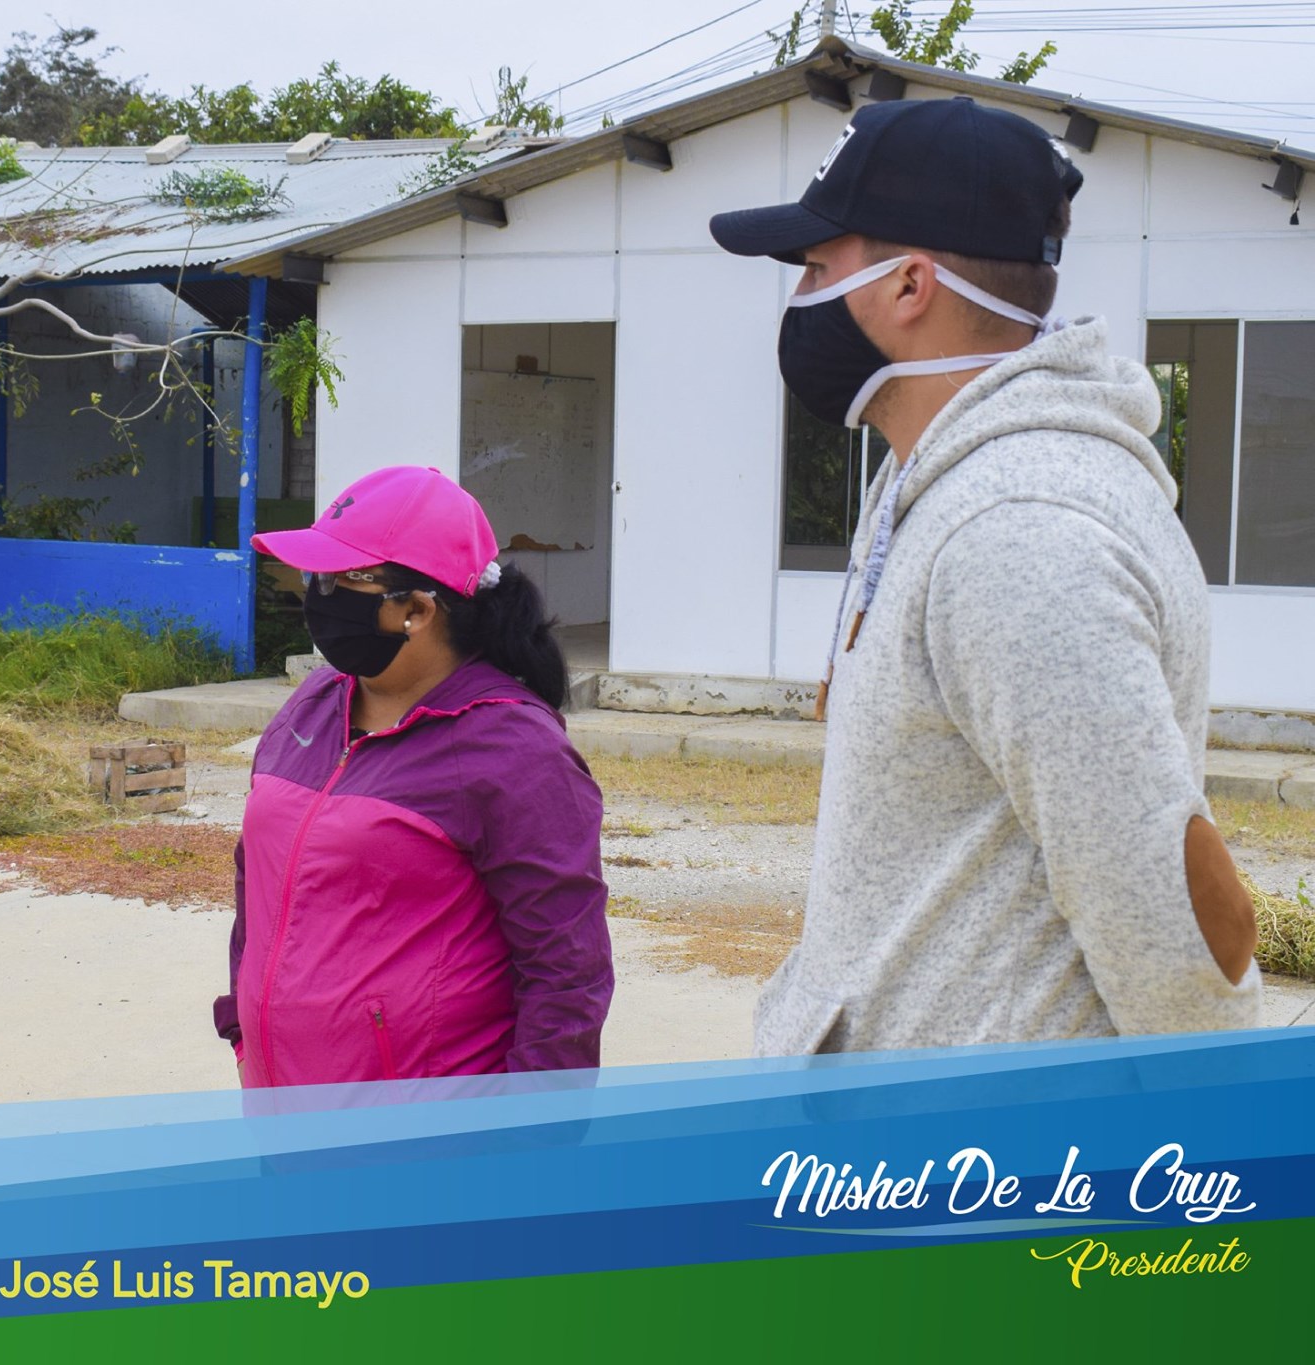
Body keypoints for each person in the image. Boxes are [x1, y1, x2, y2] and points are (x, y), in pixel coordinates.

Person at [708, 96, 1259, 1055]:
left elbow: (1170, 928)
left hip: (981, 1142)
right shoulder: (941, 480)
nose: (799, 296)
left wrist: (1220, 1126)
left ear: (908, 284)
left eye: (815, 268)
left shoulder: (1018, 533)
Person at [213, 465, 614, 1087]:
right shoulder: (313, 704)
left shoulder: (513, 748)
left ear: (418, 610)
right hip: (281, 1109)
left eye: (342, 580)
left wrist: (534, 1126)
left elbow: (566, 968)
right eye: (315, 577)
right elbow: (257, 887)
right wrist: (242, 1031)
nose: (316, 597)